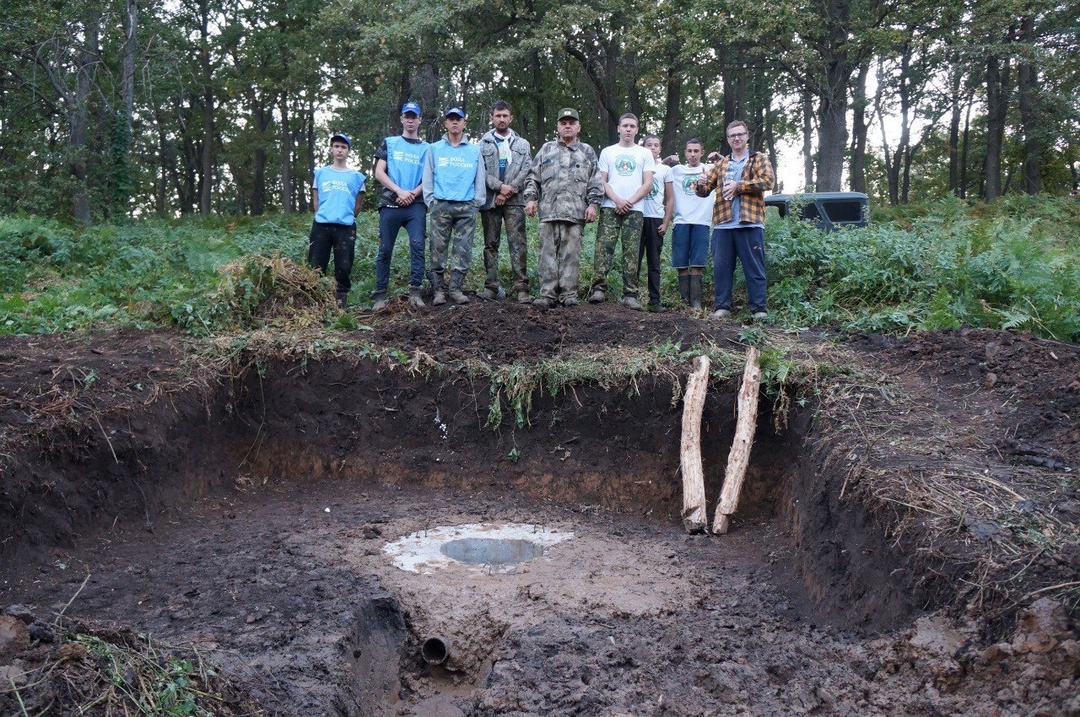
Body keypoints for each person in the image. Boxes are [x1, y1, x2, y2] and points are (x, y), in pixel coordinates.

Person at [694, 120, 775, 320]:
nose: (736, 138)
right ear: (728, 140)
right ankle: (723, 307)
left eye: (740, 134)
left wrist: (740, 186)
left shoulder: (758, 159)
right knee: (722, 268)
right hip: (723, 224)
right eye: (732, 136)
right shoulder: (721, 164)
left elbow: (768, 181)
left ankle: (758, 309)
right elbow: (704, 192)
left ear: (747, 136)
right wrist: (700, 184)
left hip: (750, 222)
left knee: (754, 267)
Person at [523, 108, 604, 308]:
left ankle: (569, 295)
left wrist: (593, 204)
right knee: (546, 255)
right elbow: (533, 177)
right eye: (563, 123)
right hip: (549, 212)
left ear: (578, 127)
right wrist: (531, 199)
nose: (567, 126)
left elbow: (595, 181)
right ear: (558, 126)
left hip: (575, 213)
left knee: (571, 255)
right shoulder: (546, 149)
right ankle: (547, 295)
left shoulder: (587, 151)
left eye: (571, 122)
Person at [589, 113, 655, 310]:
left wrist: (629, 201)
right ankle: (598, 289)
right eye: (625, 125)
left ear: (636, 130)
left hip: (635, 210)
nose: (628, 129)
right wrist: (617, 200)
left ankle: (630, 294)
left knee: (632, 252)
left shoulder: (644, 153)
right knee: (604, 248)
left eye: (632, 126)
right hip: (610, 207)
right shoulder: (608, 152)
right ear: (618, 128)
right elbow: (602, 180)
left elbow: (648, 183)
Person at [422, 107, 485, 305]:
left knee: (463, 249)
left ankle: (456, 288)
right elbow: (428, 176)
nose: (455, 122)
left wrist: (477, 202)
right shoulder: (434, 149)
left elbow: (480, 177)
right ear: (446, 124)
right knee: (437, 248)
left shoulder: (474, 150)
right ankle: (439, 290)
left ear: (464, 123)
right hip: (441, 205)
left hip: (466, 207)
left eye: (459, 119)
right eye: (451, 119)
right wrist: (430, 200)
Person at [372, 102, 429, 311]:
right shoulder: (390, 142)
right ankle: (380, 296)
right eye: (407, 116)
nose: (411, 120)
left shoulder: (427, 148)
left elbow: (430, 177)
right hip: (391, 203)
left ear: (420, 120)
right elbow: (379, 172)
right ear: (402, 119)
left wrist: (413, 193)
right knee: (385, 249)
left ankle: (415, 292)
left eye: (415, 116)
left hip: (416, 204)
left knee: (417, 245)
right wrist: (399, 191)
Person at [478, 101, 533, 303]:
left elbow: (527, 169)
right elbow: (480, 172)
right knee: (490, 244)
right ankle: (491, 287)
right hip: (490, 201)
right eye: (497, 115)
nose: (501, 119)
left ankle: (521, 288)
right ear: (492, 118)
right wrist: (499, 187)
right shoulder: (482, 144)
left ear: (511, 118)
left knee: (518, 243)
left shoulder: (522, 144)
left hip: (515, 200)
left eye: (505, 115)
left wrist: (509, 190)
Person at [308, 132, 365, 308]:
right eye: (336, 146)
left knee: (344, 264)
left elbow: (358, 205)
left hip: (345, 226)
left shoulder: (357, 177)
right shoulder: (321, 173)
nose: (339, 150)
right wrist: (323, 215)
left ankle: (341, 302)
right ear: (332, 149)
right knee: (316, 264)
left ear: (349, 151)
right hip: (322, 225)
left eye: (343, 147)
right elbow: (316, 201)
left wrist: (346, 217)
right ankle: (316, 301)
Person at [664, 138, 714, 310]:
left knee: (698, 263)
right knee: (681, 263)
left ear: (702, 152)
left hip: (702, 221)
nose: (693, 154)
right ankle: (684, 301)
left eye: (696, 151)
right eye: (690, 151)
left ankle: (696, 302)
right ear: (685, 153)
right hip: (681, 220)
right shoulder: (677, 170)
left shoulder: (709, 168)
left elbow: (730, 167)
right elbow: (656, 170)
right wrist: (667, 160)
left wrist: (719, 156)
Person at [639, 135, 670, 312]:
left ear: (660, 148)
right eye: (648, 145)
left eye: (656, 145)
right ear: (643, 147)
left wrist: (666, 222)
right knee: (633, 260)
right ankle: (631, 297)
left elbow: (670, 198)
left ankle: (654, 300)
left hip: (655, 218)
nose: (652, 148)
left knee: (654, 261)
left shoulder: (665, 169)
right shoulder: (637, 165)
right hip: (637, 215)